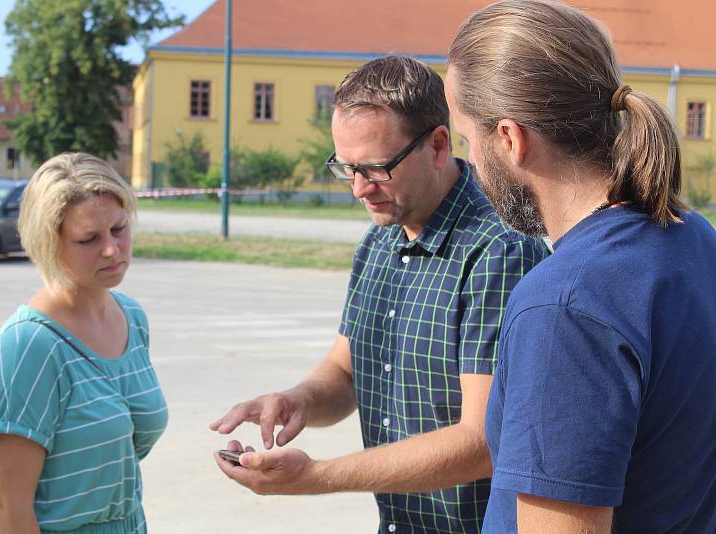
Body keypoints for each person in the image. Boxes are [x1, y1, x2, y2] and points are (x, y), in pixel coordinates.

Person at [211, 56, 547, 533]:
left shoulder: (498, 252)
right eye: (345, 168)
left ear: (437, 144)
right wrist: (297, 399)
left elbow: (482, 442)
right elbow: (345, 373)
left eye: (376, 168)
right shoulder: (380, 241)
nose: (359, 189)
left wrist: (317, 477)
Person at [444, 1, 716, 532]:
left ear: (510, 139)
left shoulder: (564, 305)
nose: (470, 161)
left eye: (466, 140)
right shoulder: (695, 235)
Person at [0, 152, 168, 533]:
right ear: (49, 243)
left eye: (119, 229)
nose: (111, 249)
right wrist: (2, 493)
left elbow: (113, 455)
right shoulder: (29, 346)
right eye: (88, 239)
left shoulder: (132, 318)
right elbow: (10, 512)